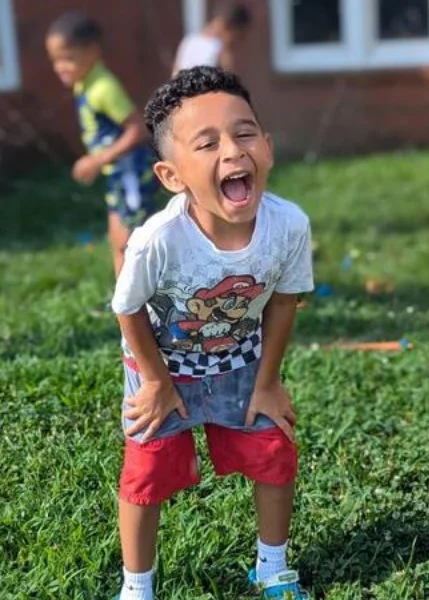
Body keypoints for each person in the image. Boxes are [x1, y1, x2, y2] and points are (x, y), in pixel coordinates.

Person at [110, 66, 314, 600]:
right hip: (158, 364)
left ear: (267, 147)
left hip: (241, 363)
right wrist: (156, 382)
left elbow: (285, 301)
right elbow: (128, 309)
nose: (232, 151)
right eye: (207, 143)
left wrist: (269, 381)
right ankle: (137, 587)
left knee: (274, 451)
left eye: (245, 133)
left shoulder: (289, 225)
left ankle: (272, 567)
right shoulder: (157, 240)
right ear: (172, 175)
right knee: (146, 473)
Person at [46, 11, 157, 276]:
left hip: (130, 174)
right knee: (118, 243)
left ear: (93, 51)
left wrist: (97, 160)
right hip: (117, 175)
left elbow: (137, 130)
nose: (60, 67)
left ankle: (145, 304)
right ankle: (125, 304)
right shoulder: (84, 83)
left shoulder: (103, 87)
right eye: (55, 60)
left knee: (134, 245)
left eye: (68, 58)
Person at [173, 2, 252, 75]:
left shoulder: (189, 41)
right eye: (238, 37)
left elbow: (175, 75)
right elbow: (228, 82)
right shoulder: (218, 48)